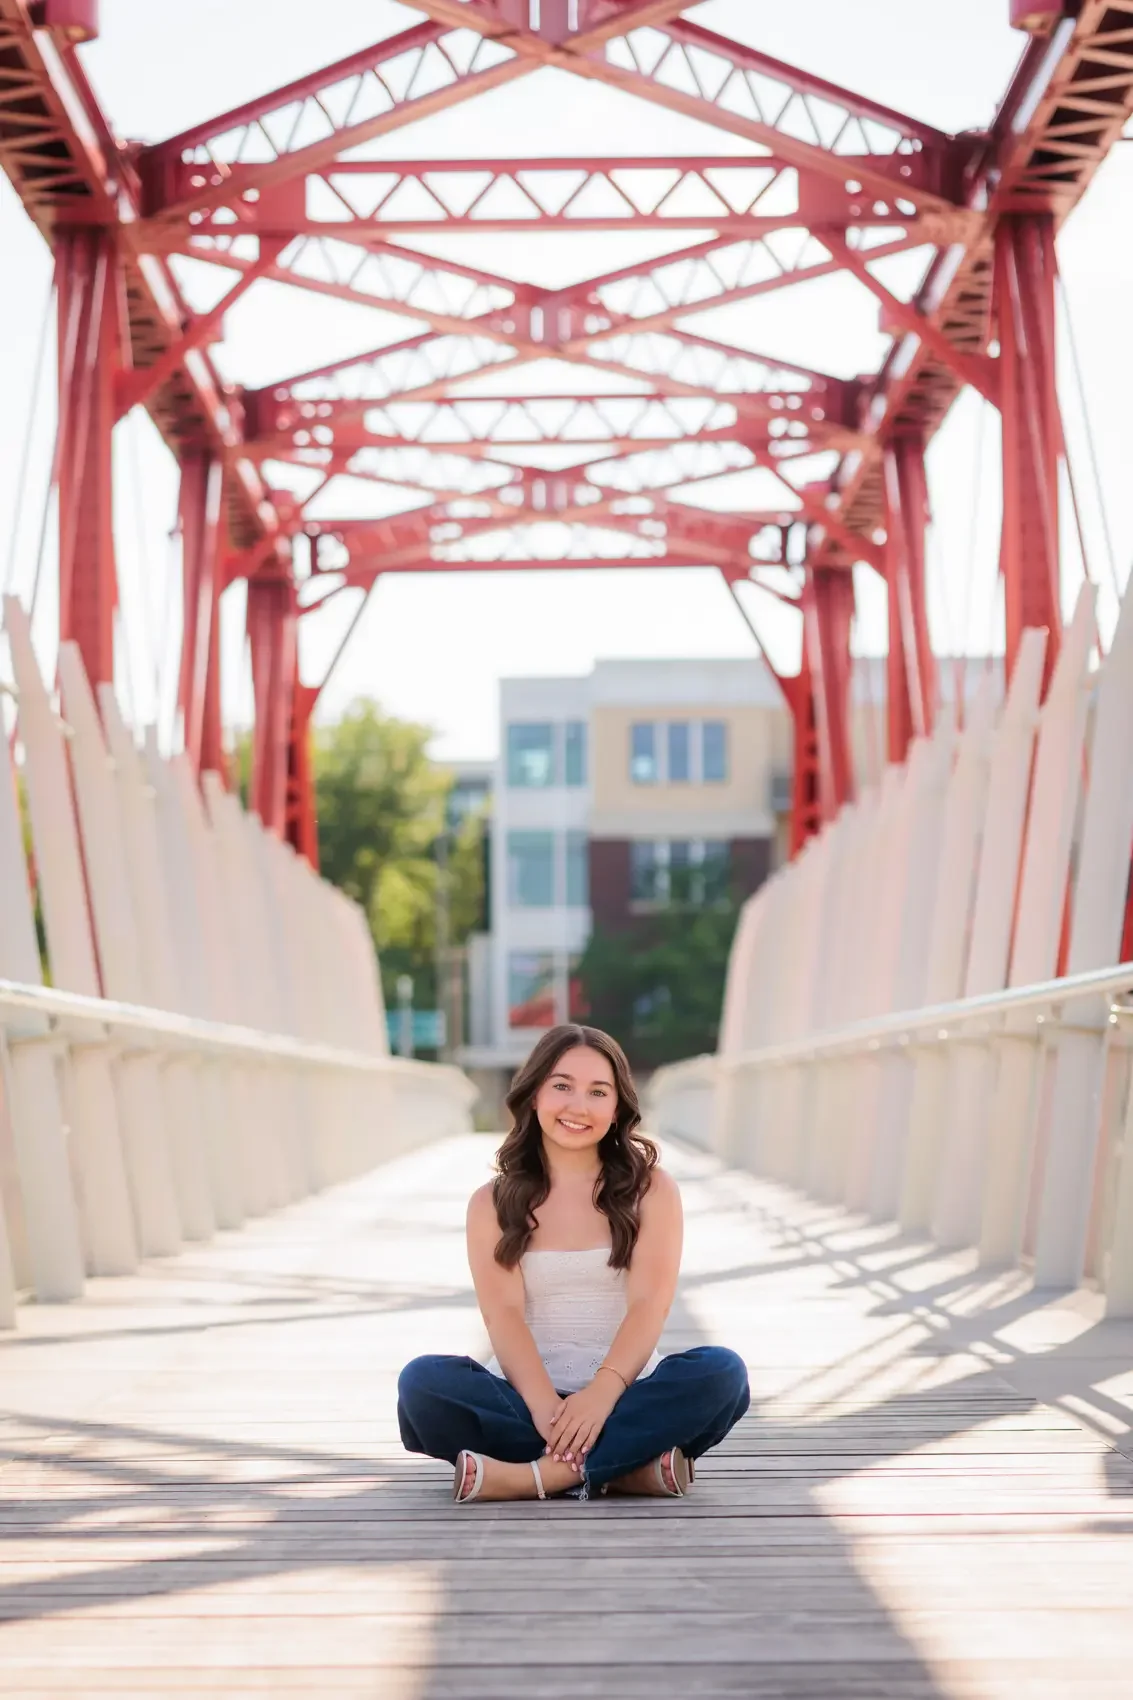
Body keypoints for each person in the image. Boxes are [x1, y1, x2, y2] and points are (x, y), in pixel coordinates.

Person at [397, 1022, 750, 1503]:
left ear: (617, 1107)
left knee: (721, 1375)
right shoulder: (492, 1203)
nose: (578, 1106)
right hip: (525, 1399)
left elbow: (649, 1304)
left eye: (598, 1092)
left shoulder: (652, 1190)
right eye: (562, 1086)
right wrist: (546, 1408)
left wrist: (601, 1396)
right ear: (535, 1093)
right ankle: (623, 1469)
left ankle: (541, 1475)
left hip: (626, 1393)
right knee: (423, 1385)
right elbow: (502, 1314)